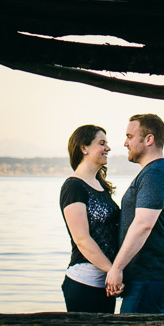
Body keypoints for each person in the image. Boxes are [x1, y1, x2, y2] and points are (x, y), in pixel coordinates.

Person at [105, 112, 164, 313]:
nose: (125, 143)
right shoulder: (152, 173)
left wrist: (117, 268)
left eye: (130, 137)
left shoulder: (155, 174)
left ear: (149, 139)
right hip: (148, 275)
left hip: (152, 276)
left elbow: (143, 225)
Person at [58, 124, 120, 313]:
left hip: (106, 285)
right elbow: (82, 239)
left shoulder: (101, 186)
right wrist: (113, 271)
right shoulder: (73, 187)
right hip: (84, 284)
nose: (107, 148)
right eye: (102, 143)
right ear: (83, 148)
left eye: (106, 144)